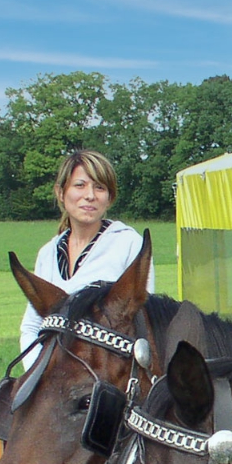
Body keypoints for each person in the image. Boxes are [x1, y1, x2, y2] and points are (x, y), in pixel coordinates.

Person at [18, 149, 155, 357]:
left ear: (109, 198)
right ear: (61, 192)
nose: (90, 196)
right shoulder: (48, 254)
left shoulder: (128, 244)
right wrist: (40, 378)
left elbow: (142, 321)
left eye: (99, 187)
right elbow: (31, 327)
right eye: (80, 185)